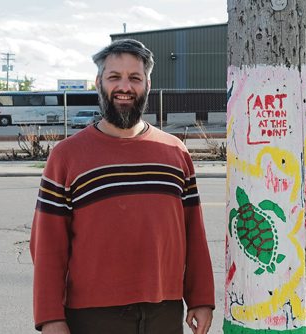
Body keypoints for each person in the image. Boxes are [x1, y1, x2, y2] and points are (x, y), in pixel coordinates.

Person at [30, 39, 215, 334]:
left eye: (134, 78)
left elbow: (194, 233)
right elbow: (47, 246)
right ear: (99, 83)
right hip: (92, 317)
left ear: (148, 84)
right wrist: (51, 317)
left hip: (164, 312)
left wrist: (201, 298)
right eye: (114, 77)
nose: (124, 87)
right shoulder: (66, 156)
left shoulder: (175, 153)